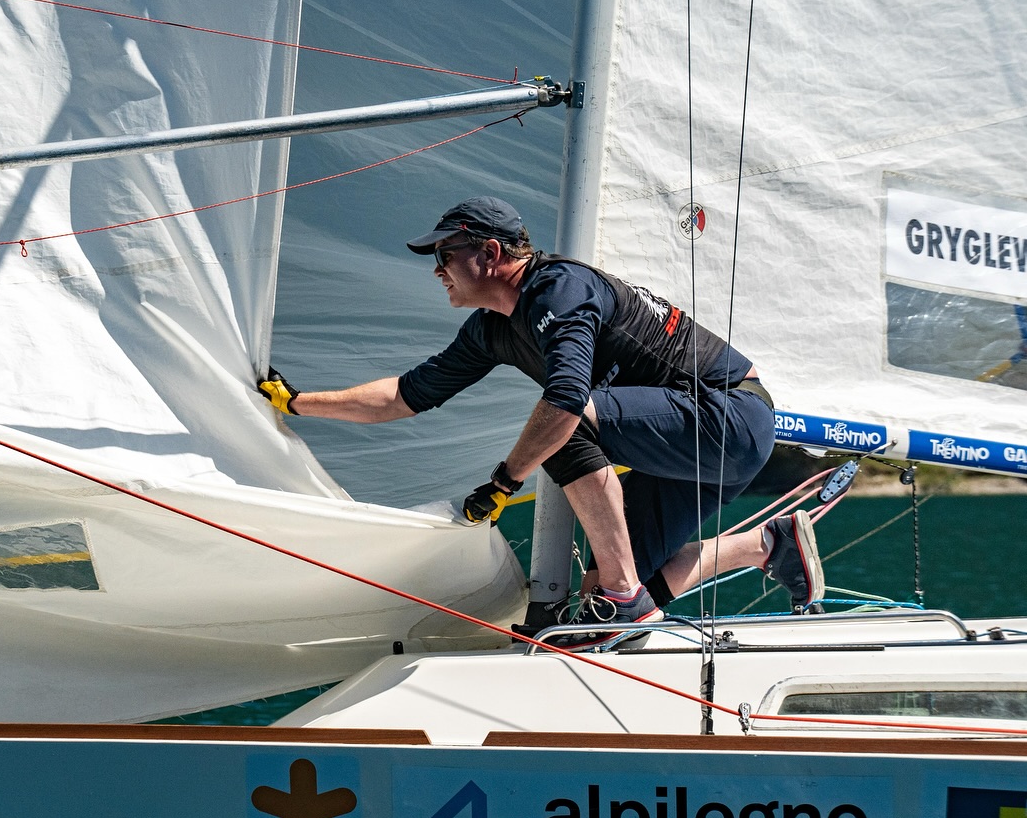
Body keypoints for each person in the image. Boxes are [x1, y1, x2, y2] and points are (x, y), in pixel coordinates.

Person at [257, 196, 824, 649]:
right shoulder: (491, 328)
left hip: (730, 417)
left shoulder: (560, 288)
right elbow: (405, 396)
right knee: (604, 604)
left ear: (490, 252)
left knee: (564, 423)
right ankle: (764, 546)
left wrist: (505, 481)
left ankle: (624, 596)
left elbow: (568, 400)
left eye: (445, 255)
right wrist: (297, 402)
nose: (436, 270)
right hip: (689, 441)